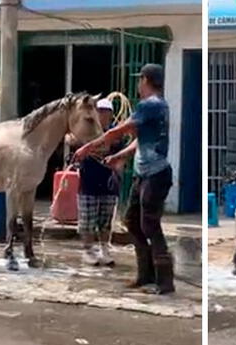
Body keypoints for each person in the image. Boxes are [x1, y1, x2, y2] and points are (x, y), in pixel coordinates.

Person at [73, 64, 174, 295]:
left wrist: (87, 148)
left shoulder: (151, 105)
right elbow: (138, 140)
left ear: (145, 80)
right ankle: (145, 275)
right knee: (132, 221)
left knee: (150, 224)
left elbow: (115, 132)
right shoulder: (159, 106)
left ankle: (164, 281)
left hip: (155, 175)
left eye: (140, 80)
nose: (138, 85)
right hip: (145, 174)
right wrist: (118, 157)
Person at [66, 98, 122, 266]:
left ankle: (104, 249)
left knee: (105, 220)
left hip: (108, 183)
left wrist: (117, 171)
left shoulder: (116, 134)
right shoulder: (87, 132)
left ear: (111, 115)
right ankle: (88, 251)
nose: (103, 115)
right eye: (100, 112)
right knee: (87, 221)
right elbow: (69, 138)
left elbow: (121, 156)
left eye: (106, 112)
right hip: (88, 182)